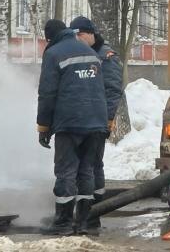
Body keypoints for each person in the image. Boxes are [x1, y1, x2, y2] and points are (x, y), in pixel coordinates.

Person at [37, 19, 108, 235]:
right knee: (86, 171)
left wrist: (43, 127)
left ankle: (63, 224)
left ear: (50, 38)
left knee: (66, 171)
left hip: (70, 123)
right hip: (96, 121)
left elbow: (47, 94)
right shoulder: (89, 51)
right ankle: (84, 222)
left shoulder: (54, 53)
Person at [69, 16, 124, 232]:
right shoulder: (83, 53)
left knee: (93, 166)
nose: (78, 39)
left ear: (91, 33)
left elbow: (112, 91)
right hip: (83, 120)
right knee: (85, 167)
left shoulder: (106, 56)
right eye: (75, 36)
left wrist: (107, 120)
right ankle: (86, 214)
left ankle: (93, 215)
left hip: (98, 121)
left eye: (81, 35)